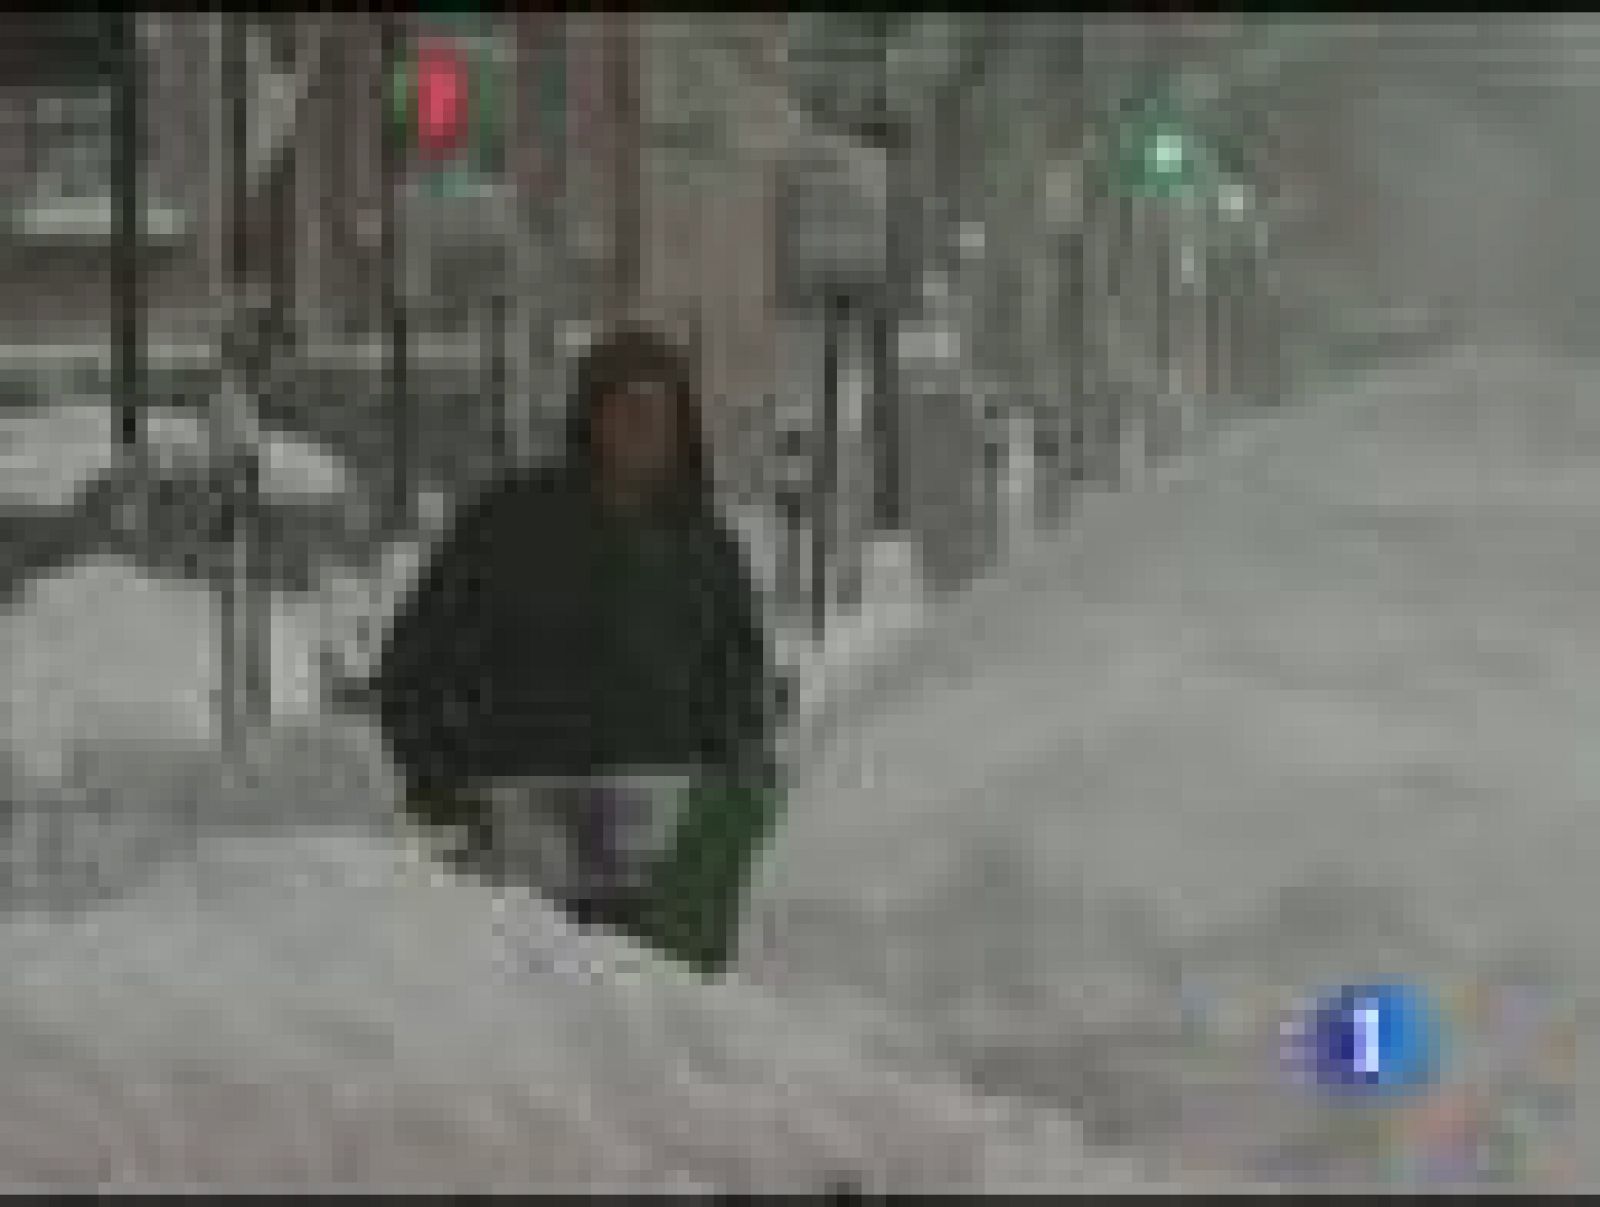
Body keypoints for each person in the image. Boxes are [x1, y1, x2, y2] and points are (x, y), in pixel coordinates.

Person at [370, 324, 780, 976]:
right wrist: (443, 788)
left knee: (655, 1030)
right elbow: (412, 667)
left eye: (662, 415)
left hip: (665, 854)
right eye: (628, 410)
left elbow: (739, 680)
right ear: (591, 416)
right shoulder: (512, 524)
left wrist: (730, 772)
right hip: (525, 840)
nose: (645, 430)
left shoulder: (706, 549)